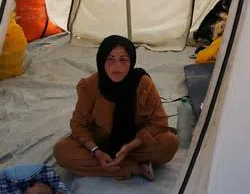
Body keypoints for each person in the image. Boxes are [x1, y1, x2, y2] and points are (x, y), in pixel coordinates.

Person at [53, 35, 179, 181]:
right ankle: (134, 168)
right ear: (101, 61)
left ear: (131, 61)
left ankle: (115, 163)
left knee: (170, 143)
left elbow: (159, 122)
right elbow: (78, 125)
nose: (117, 67)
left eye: (123, 60)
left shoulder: (143, 84)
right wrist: (96, 151)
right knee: (62, 152)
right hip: (100, 142)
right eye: (110, 59)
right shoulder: (90, 86)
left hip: (134, 142)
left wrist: (129, 147)